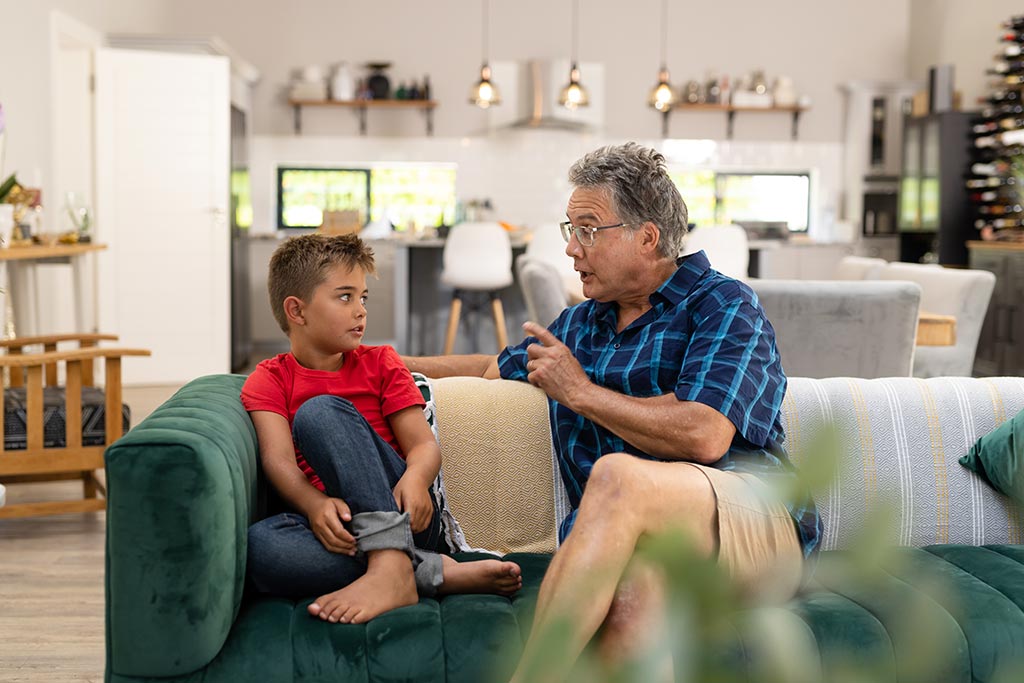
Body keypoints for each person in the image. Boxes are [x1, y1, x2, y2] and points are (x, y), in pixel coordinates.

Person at [403, 142, 821, 679]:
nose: (573, 250)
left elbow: (705, 434)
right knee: (630, 599)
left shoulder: (723, 304)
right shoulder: (583, 325)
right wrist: (381, 362)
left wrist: (579, 392)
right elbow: (489, 368)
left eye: (587, 230)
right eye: (569, 230)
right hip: (651, 544)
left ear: (647, 237)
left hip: (752, 525)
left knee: (619, 478)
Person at [242, 233, 521, 626]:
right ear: (297, 311)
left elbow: (422, 445)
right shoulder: (269, 379)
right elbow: (278, 461)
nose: (360, 311)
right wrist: (313, 504)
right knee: (261, 548)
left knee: (319, 413)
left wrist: (415, 478)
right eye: (345, 297)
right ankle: (425, 571)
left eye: (363, 298)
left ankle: (392, 563)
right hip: (337, 527)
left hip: (402, 510)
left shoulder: (381, 363)